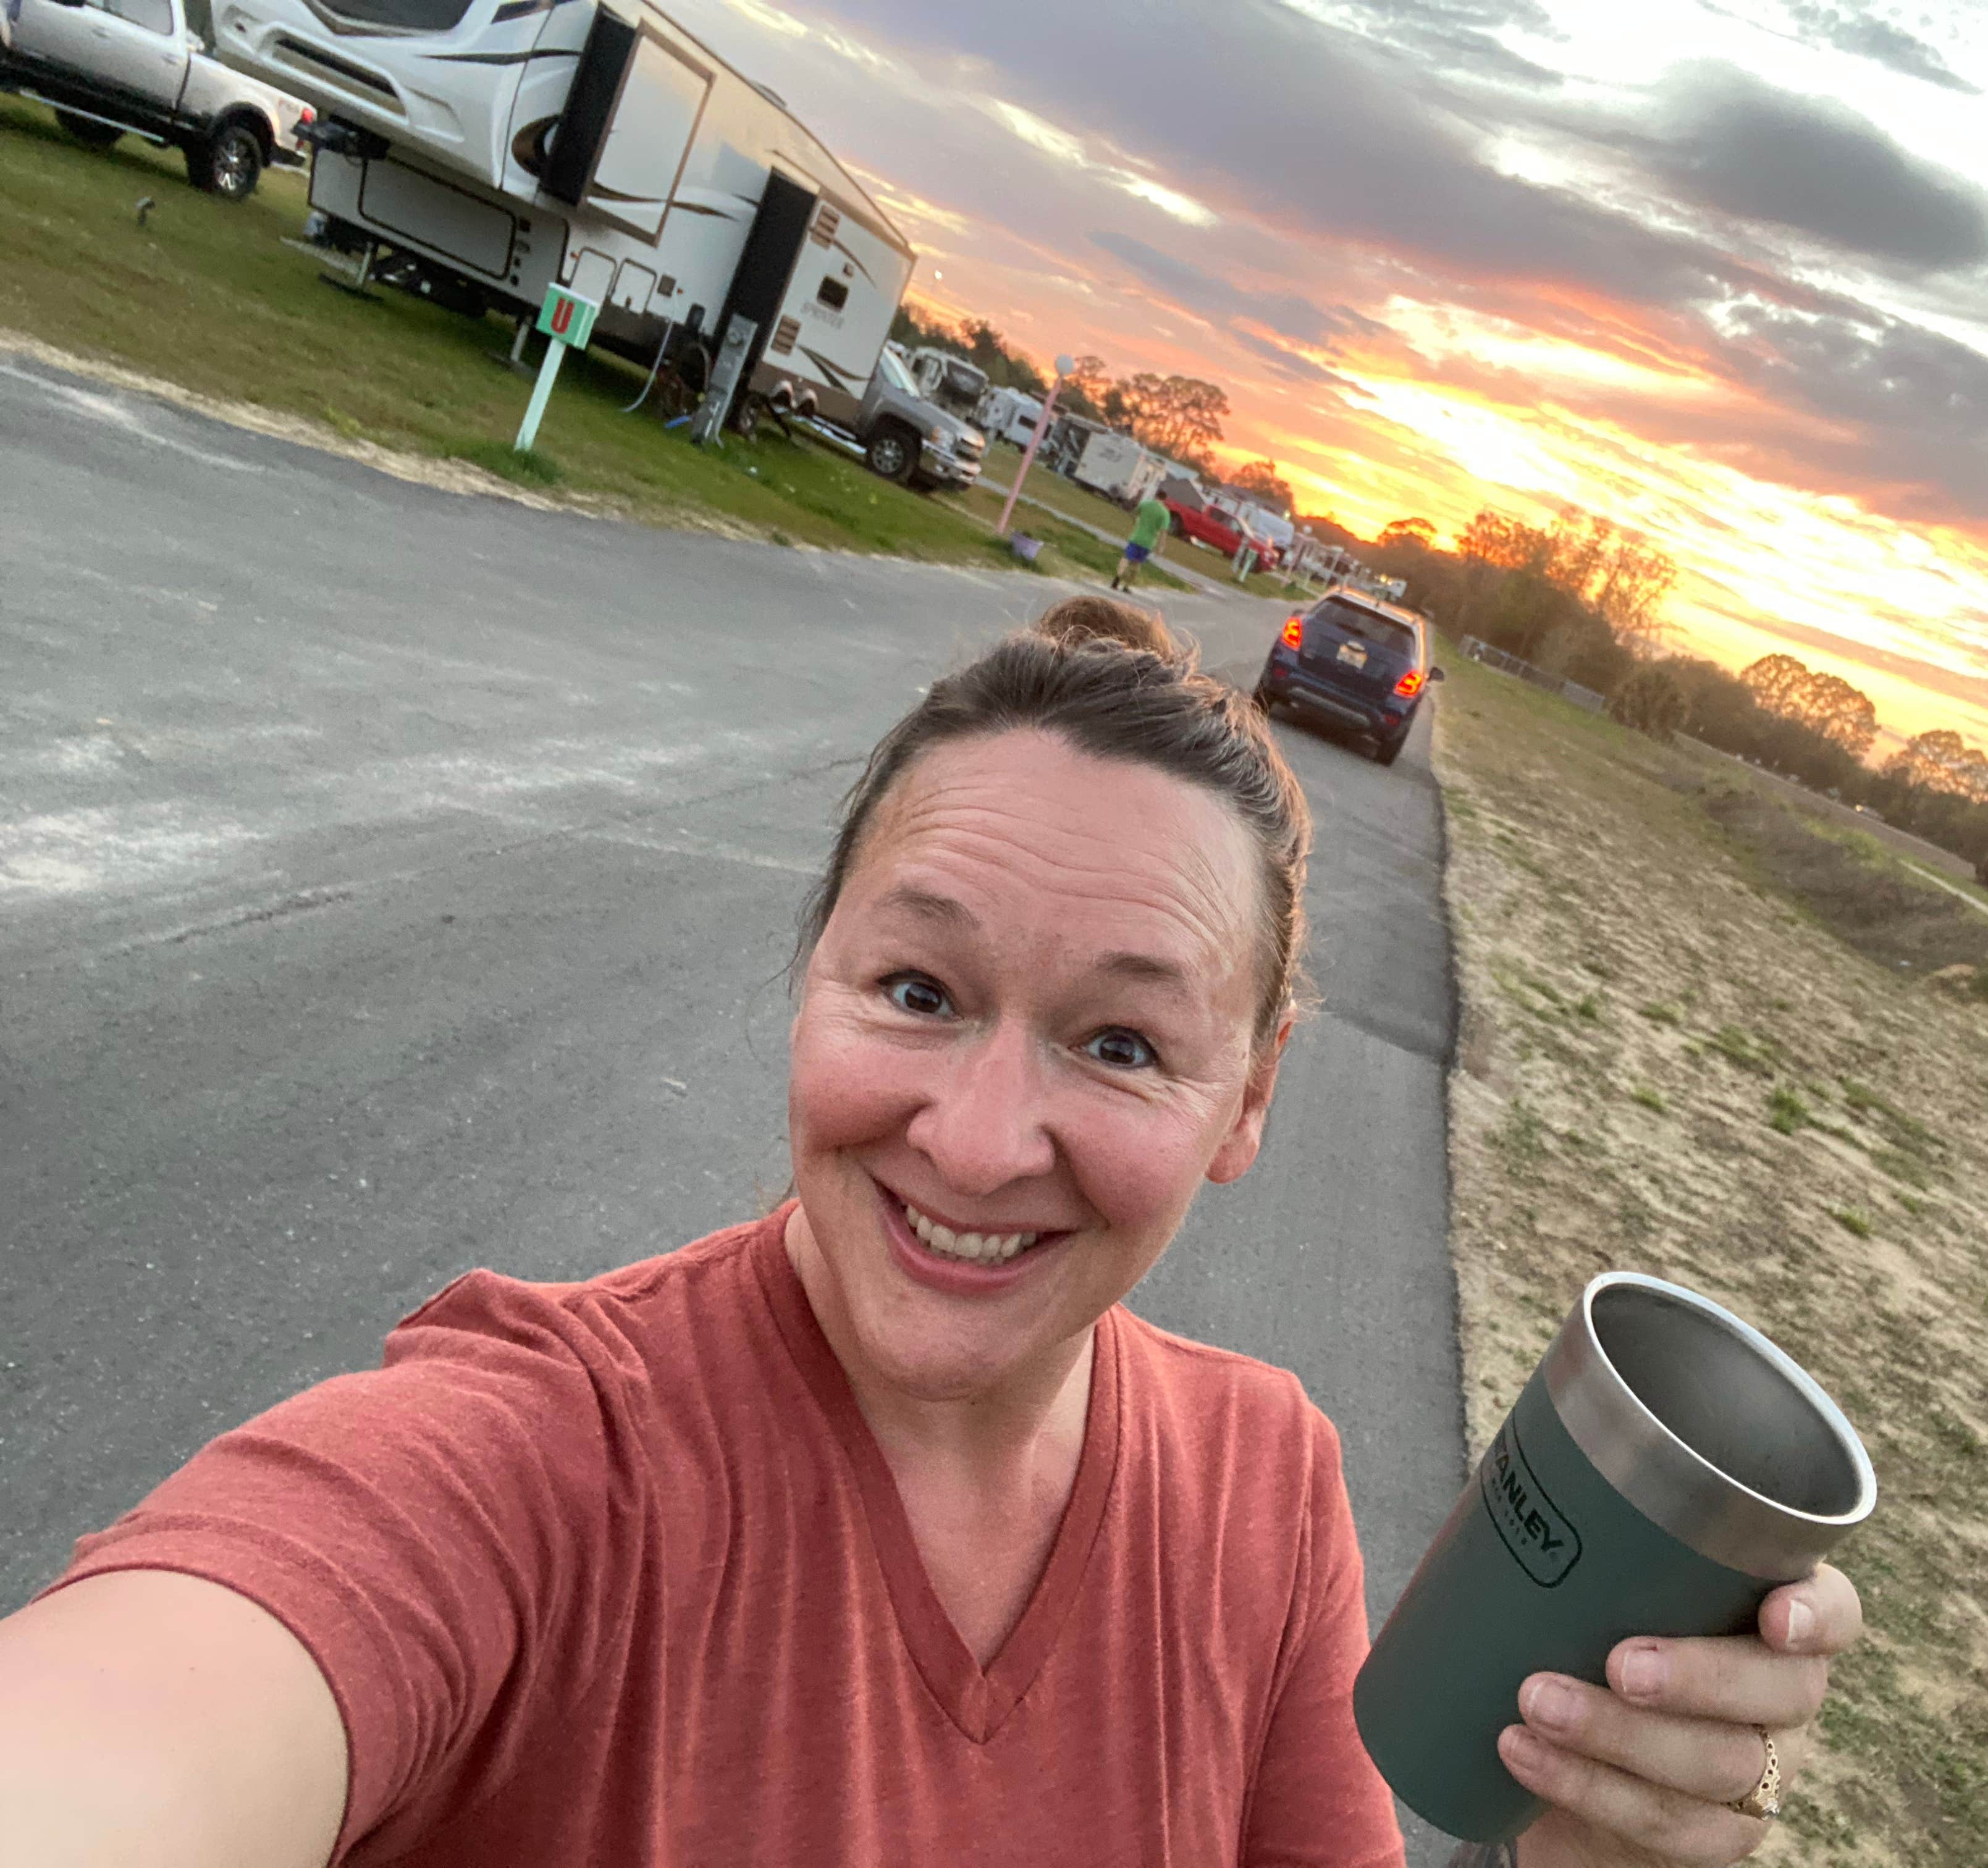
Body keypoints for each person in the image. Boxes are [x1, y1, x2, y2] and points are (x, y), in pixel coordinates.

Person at [0, 594, 1861, 1867]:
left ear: (1256, 1100)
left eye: (1122, 1043)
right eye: (914, 988)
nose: (976, 1141)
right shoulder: (536, 1460)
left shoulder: (1263, 1481)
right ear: (812, 971)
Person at [1111, 490, 1173, 591]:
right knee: (1136, 564)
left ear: (1155, 496)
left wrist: (1136, 521)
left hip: (1136, 537)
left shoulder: (1145, 504)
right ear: (1164, 499)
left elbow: (1134, 514)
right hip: (1148, 542)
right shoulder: (1165, 513)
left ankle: (1118, 578)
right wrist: (1161, 547)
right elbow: (1163, 532)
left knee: (1126, 558)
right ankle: (1126, 586)